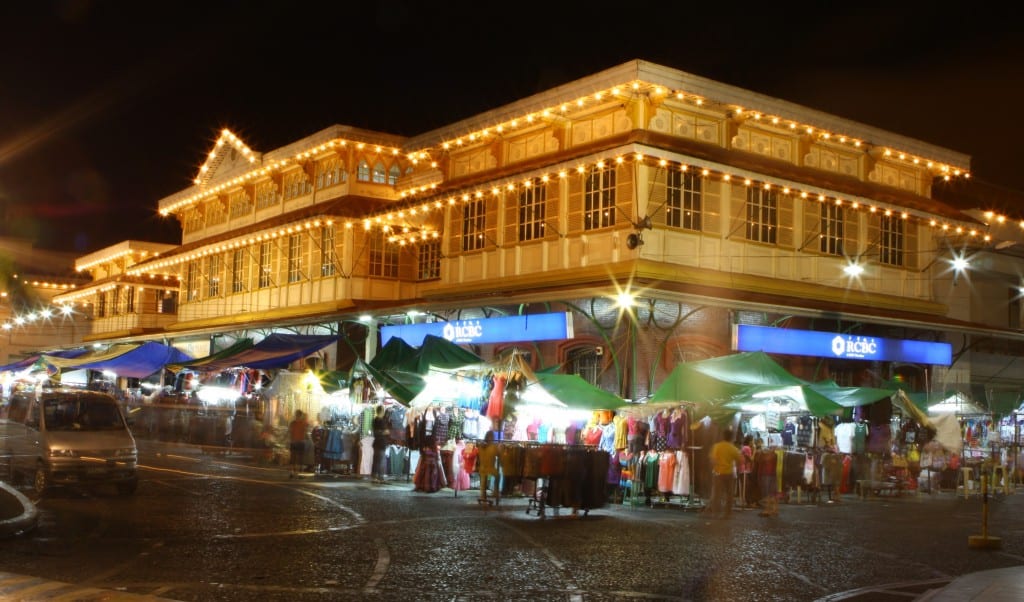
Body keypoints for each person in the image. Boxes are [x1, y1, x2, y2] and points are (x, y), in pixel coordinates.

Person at [707, 428, 743, 519]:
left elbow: (712, 459)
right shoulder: (732, 448)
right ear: (731, 438)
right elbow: (740, 460)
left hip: (718, 473)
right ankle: (727, 513)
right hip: (729, 473)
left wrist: (715, 467)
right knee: (729, 494)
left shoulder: (717, 446)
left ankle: (715, 512)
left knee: (717, 494)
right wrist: (736, 467)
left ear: (723, 436)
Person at [288, 409, 309, 478]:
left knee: (293, 457)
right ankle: (299, 473)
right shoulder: (304, 423)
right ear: (301, 415)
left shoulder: (292, 423)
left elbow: (289, 432)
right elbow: (306, 434)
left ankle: (292, 472)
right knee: (300, 458)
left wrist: (289, 439)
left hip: (293, 442)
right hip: (300, 442)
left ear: (296, 415)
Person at [371, 407, 389, 483]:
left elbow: (374, 431)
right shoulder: (381, 421)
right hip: (381, 442)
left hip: (376, 442)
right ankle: (380, 477)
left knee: (376, 460)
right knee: (380, 460)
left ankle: (375, 476)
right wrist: (384, 432)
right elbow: (385, 432)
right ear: (382, 412)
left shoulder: (374, 420)